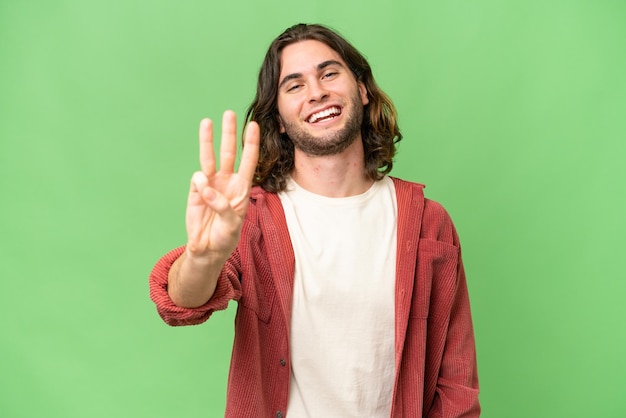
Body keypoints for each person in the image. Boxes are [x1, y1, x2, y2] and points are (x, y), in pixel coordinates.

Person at [149, 23, 480, 418]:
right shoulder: (252, 218)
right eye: (294, 86)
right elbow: (180, 304)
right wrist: (204, 256)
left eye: (328, 73)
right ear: (282, 121)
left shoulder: (429, 222)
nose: (316, 92)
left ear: (362, 89)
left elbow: (456, 382)